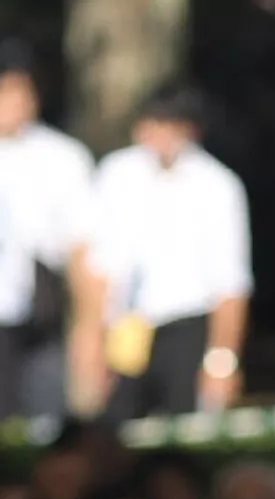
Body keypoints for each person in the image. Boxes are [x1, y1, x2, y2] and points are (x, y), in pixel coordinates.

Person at [81, 83, 252, 421]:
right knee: (114, 431)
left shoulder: (217, 186)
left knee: (183, 432)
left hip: (186, 326)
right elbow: (101, 266)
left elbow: (230, 284)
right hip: (127, 328)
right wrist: (92, 341)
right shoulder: (118, 174)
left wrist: (221, 361)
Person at [0, 40, 96, 419]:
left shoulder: (63, 158)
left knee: (44, 425)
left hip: (42, 321)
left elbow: (82, 250)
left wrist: (88, 334)